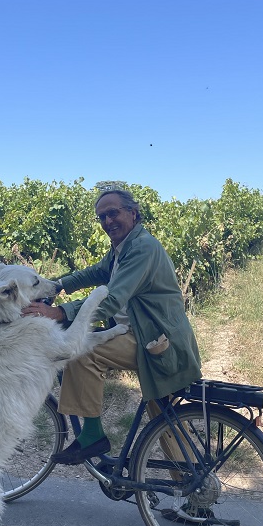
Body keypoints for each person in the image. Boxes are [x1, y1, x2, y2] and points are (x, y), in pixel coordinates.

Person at [21, 187, 202, 465]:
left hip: (154, 343)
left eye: (113, 213)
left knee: (82, 352)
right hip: (149, 338)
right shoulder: (124, 247)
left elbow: (111, 300)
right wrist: (58, 285)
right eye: (102, 217)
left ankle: (93, 435)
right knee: (165, 423)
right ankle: (192, 495)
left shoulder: (142, 248)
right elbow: (96, 272)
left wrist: (58, 313)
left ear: (132, 212)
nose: (107, 222)